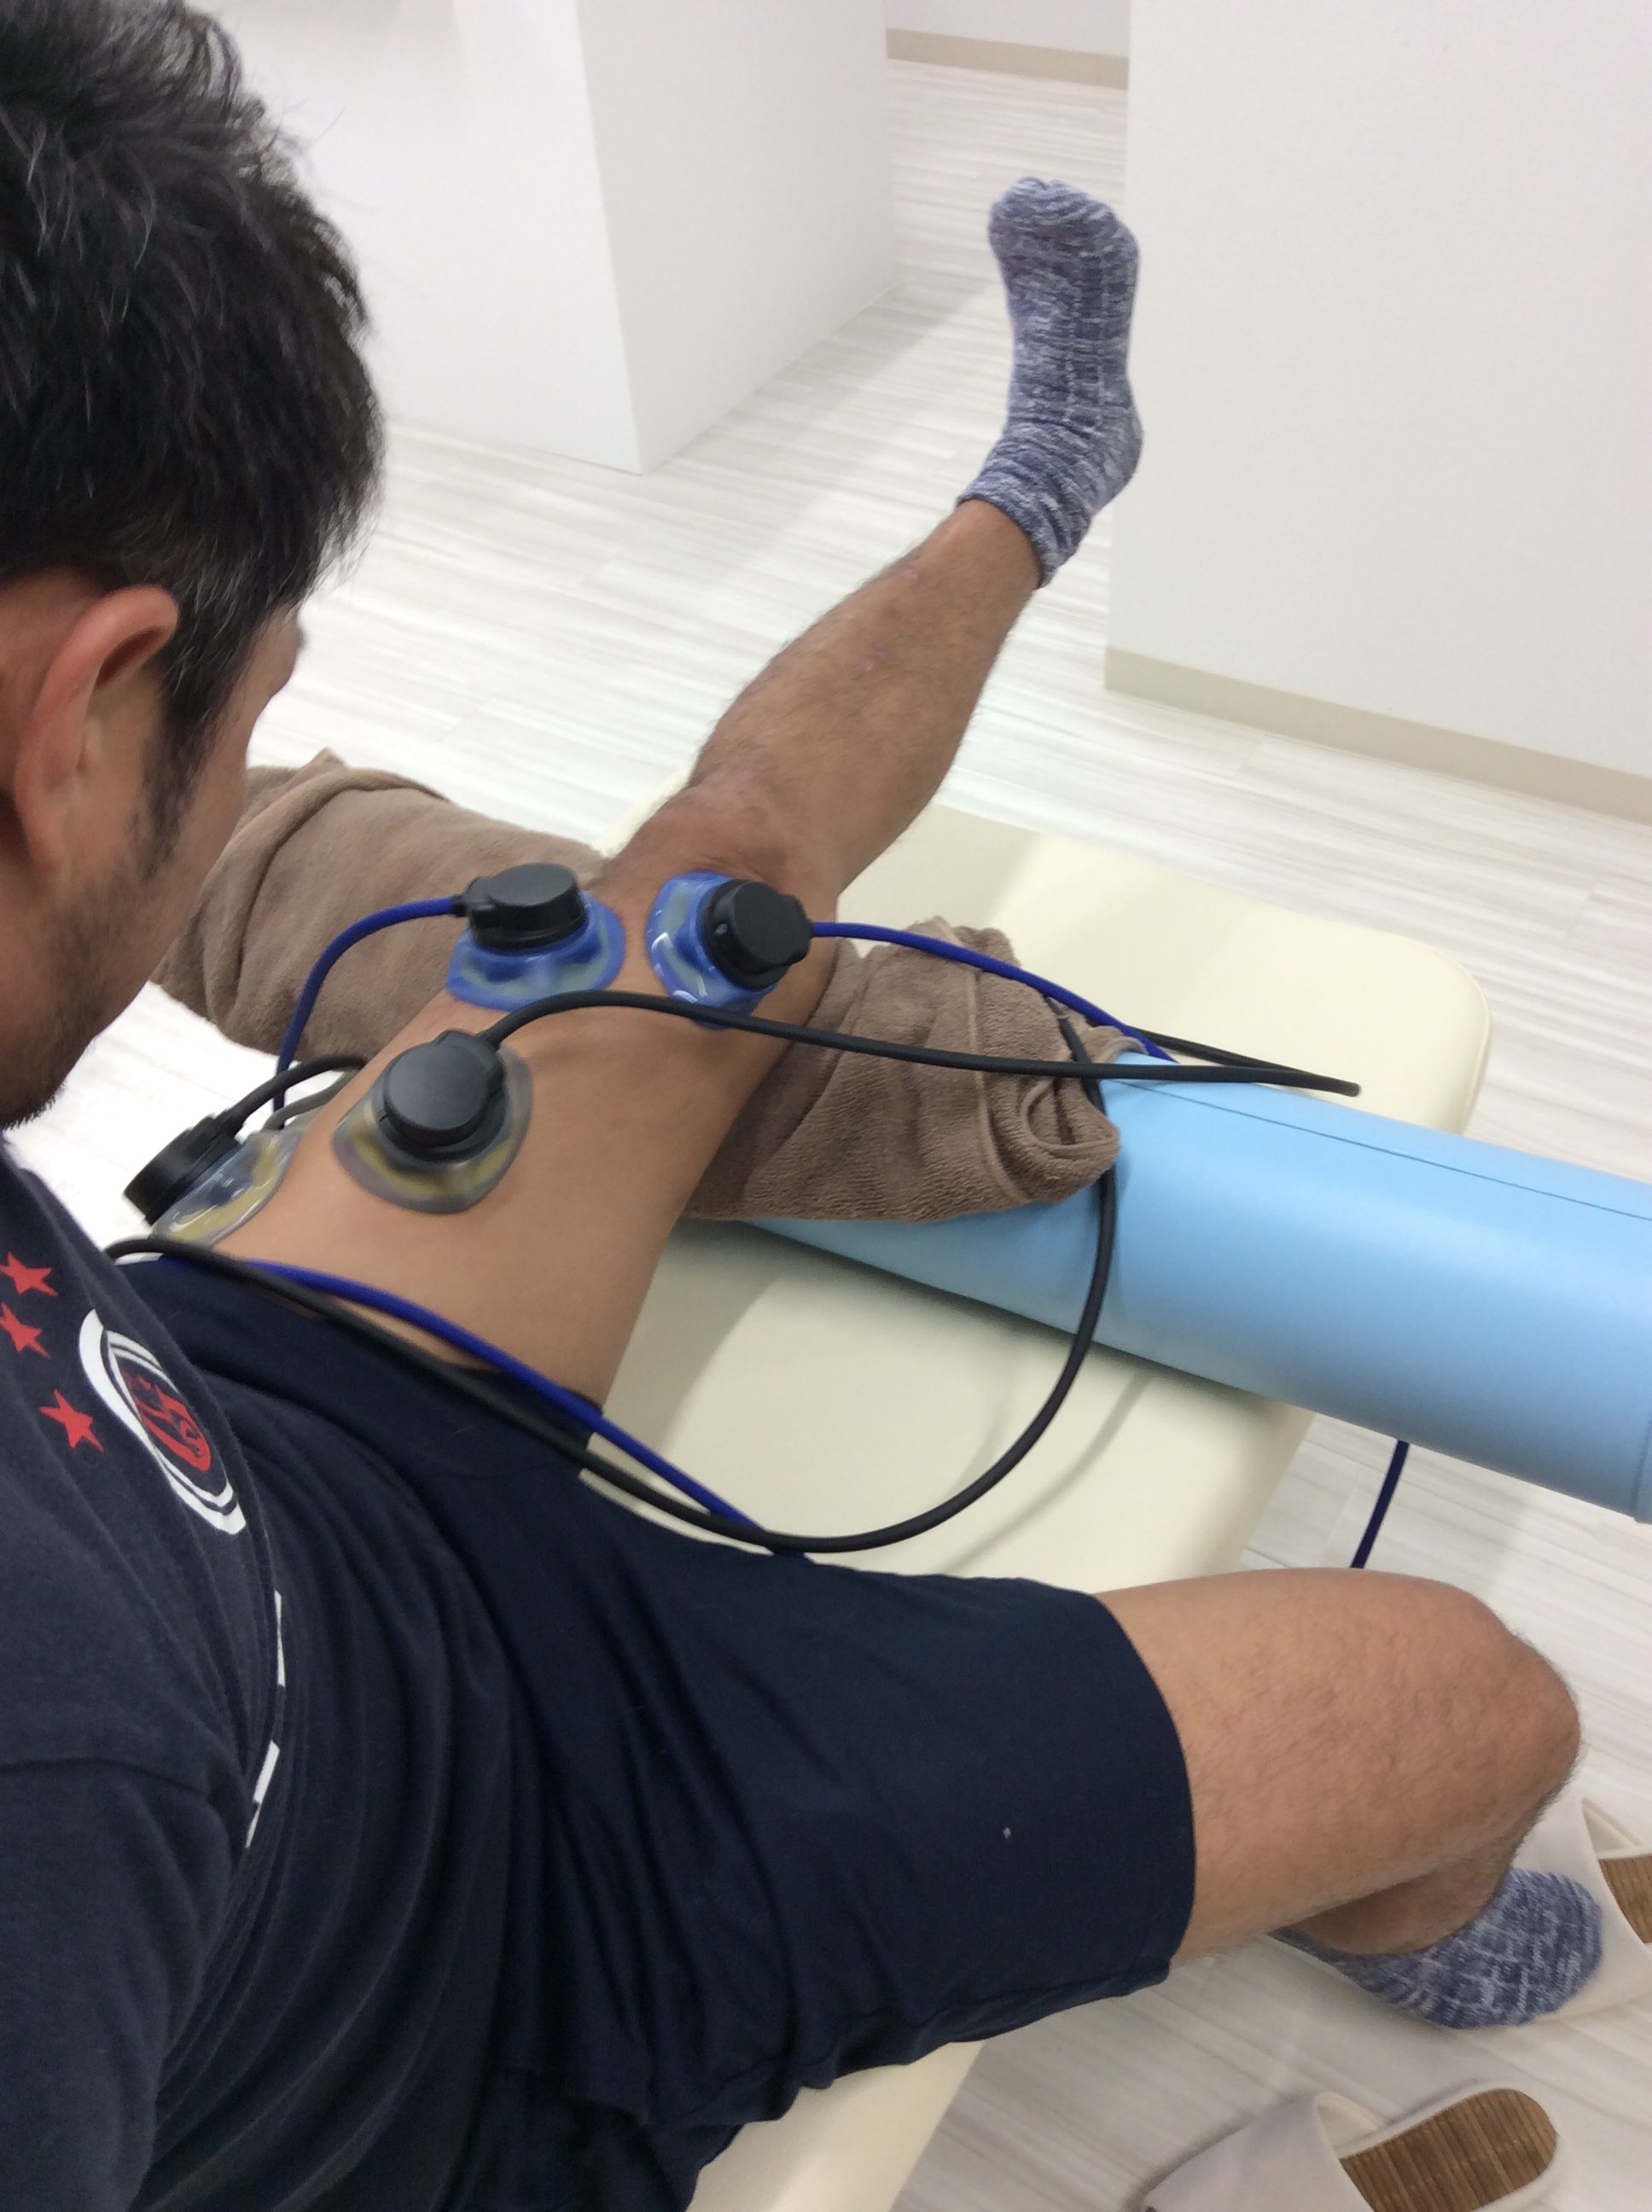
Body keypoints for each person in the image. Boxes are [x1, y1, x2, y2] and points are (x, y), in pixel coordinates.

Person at [0, 6, 1597, 2209]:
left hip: (228, 1438)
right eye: (250, 702)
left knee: (705, 899)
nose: (242, 785)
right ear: (78, 714)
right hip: (496, 1922)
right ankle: (1414, 1921)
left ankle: (1044, 478)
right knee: (1480, 1707)